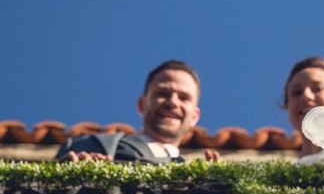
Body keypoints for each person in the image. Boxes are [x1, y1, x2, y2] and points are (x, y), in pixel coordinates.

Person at [56, 60, 220, 163]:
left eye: (184, 98)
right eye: (162, 94)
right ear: (142, 104)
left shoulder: (198, 176)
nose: (172, 102)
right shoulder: (89, 146)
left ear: (194, 117)